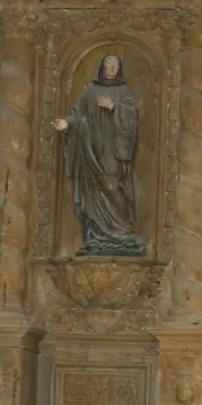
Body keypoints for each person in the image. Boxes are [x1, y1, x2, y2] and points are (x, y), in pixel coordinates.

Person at [53, 54, 142, 256]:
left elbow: (132, 117)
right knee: (93, 188)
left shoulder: (124, 91)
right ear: (102, 66)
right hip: (91, 149)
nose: (112, 67)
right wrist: (67, 123)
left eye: (116, 64)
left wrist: (114, 107)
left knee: (111, 185)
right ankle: (96, 235)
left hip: (112, 149)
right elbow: (78, 114)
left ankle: (122, 231)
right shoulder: (89, 90)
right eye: (109, 63)